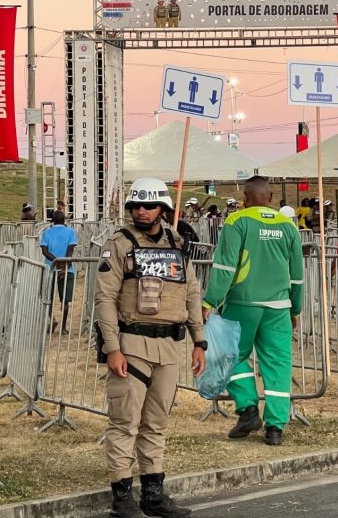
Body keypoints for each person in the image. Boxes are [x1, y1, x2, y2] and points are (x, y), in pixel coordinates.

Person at [95, 177, 206, 518]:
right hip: (132, 346)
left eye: (149, 205)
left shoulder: (178, 243)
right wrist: (112, 348)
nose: (141, 211)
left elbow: (190, 293)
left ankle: (153, 495)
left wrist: (198, 340)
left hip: (169, 348)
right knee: (124, 423)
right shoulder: (120, 244)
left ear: (163, 209)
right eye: (136, 206)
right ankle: (122, 498)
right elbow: (105, 298)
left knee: (156, 424)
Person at [202, 176, 304, 446]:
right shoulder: (288, 227)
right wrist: (296, 307)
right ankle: (275, 428)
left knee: (230, 355)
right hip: (280, 308)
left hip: (242, 304)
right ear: (270, 197)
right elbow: (297, 275)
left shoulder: (237, 222)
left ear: (245, 198)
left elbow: (225, 267)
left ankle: (247, 408)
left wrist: (209, 301)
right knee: (278, 366)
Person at [39, 210, 78, 333]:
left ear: (52, 221)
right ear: (64, 220)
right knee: (65, 299)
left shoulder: (46, 233)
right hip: (67, 268)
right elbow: (70, 250)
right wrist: (64, 263)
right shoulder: (71, 232)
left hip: (50, 268)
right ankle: (63, 327)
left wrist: (55, 261)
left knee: (47, 296)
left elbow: (44, 251)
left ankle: (53, 319)